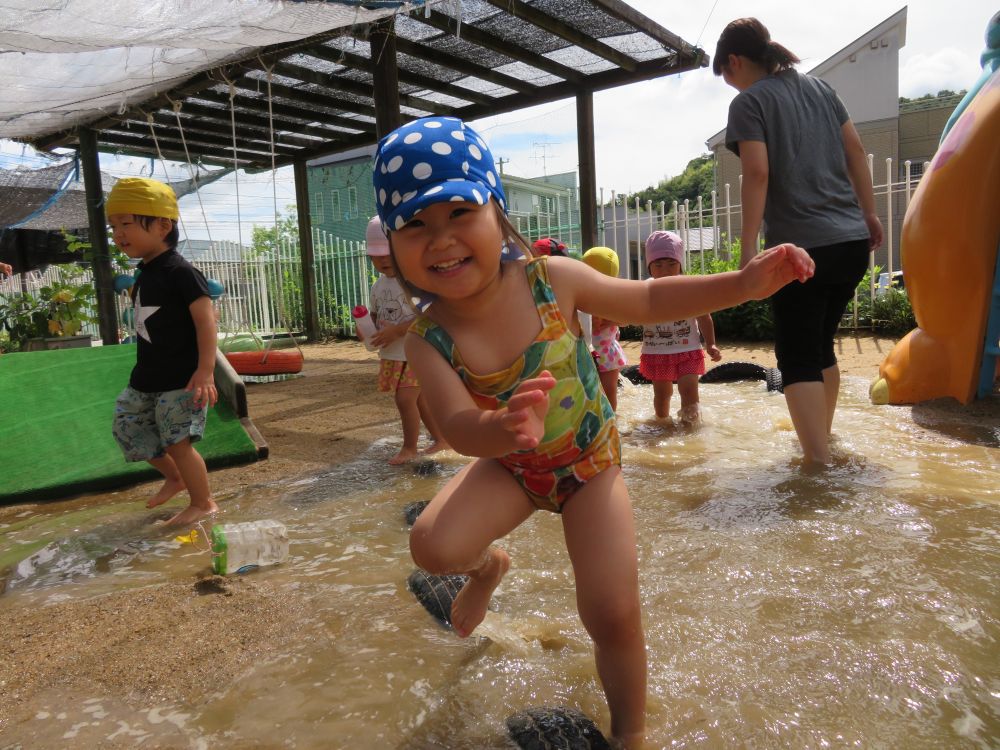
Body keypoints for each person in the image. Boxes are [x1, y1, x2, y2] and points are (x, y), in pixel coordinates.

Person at [371, 115, 814, 747]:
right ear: (393, 245)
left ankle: (630, 733)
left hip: (588, 466)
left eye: (458, 212)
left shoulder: (554, 282)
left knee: (610, 611)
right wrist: (498, 426)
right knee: (431, 547)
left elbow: (651, 301)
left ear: (497, 211)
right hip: (512, 467)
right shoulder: (426, 339)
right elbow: (460, 429)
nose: (439, 239)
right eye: (415, 223)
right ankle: (487, 568)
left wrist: (741, 285)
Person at [715, 17, 883, 465]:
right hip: (850, 242)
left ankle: (818, 465)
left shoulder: (750, 103)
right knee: (821, 345)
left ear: (735, 61)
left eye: (727, 77)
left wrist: (749, 247)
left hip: (803, 250)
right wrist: (869, 213)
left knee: (796, 354)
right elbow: (855, 151)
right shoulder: (822, 90)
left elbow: (757, 172)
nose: (732, 87)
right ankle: (820, 442)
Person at [107, 177, 219, 526]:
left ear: (163, 224)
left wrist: (205, 370)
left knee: (178, 441)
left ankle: (203, 502)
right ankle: (175, 477)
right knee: (126, 426)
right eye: (114, 226)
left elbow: (206, 322)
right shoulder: (144, 273)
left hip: (181, 379)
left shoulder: (181, 271)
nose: (118, 233)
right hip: (146, 377)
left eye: (126, 223)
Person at [363, 216, 448, 464]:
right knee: (419, 399)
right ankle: (441, 438)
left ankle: (409, 448)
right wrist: (366, 329)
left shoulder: (415, 281)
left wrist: (397, 330)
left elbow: (431, 315)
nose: (383, 260)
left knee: (405, 398)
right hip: (394, 353)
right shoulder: (378, 286)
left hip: (419, 349)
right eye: (376, 256)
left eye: (387, 253)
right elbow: (375, 316)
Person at [639, 231, 721, 424]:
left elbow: (704, 316)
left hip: (688, 349)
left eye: (671, 264)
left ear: (680, 265)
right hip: (657, 351)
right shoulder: (645, 290)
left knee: (689, 389)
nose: (665, 270)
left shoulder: (689, 288)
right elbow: (631, 312)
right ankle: (662, 423)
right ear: (649, 267)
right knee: (662, 393)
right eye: (658, 265)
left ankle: (690, 427)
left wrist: (711, 344)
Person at [581, 246, 627, 412]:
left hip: (607, 352)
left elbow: (625, 320)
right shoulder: (581, 295)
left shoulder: (614, 296)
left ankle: (611, 422)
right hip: (585, 352)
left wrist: (609, 320)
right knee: (588, 392)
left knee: (609, 393)